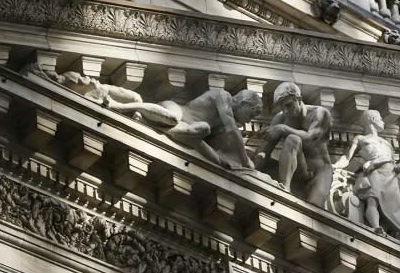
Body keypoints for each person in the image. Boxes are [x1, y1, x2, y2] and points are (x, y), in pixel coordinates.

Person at [112, 88, 262, 169]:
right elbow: (232, 129)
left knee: (216, 157)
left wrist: (247, 164)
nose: (251, 119)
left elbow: (224, 146)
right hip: (177, 110)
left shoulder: (222, 124)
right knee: (173, 118)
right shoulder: (223, 96)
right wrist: (244, 161)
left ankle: (148, 121)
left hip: (186, 130)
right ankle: (122, 106)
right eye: (253, 112)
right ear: (244, 102)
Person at [254, 82, 333, 209]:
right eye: (282, 108)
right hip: (298, 170)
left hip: (320, 171)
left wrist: (283, 129)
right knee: (292, 139)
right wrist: (251, 167)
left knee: (314, 214)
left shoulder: (320, 114)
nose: (286, 111)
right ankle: (285, 188)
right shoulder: (281, 119)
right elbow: (264, 151)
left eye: (288, 105)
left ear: (299, 99)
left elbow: (310, 137)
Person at [335, 110, 400, 236]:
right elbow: (347, 157)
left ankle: (395, 230)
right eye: (380, 119)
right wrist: (334, 166)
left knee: (394, 206)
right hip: (373, 172)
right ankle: (376, 226)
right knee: (372, 199)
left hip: (389, 176)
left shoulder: (387, 143)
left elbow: (392, 161)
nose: (383, 122)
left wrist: (397, 167)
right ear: (372, 118)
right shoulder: (361, 139)